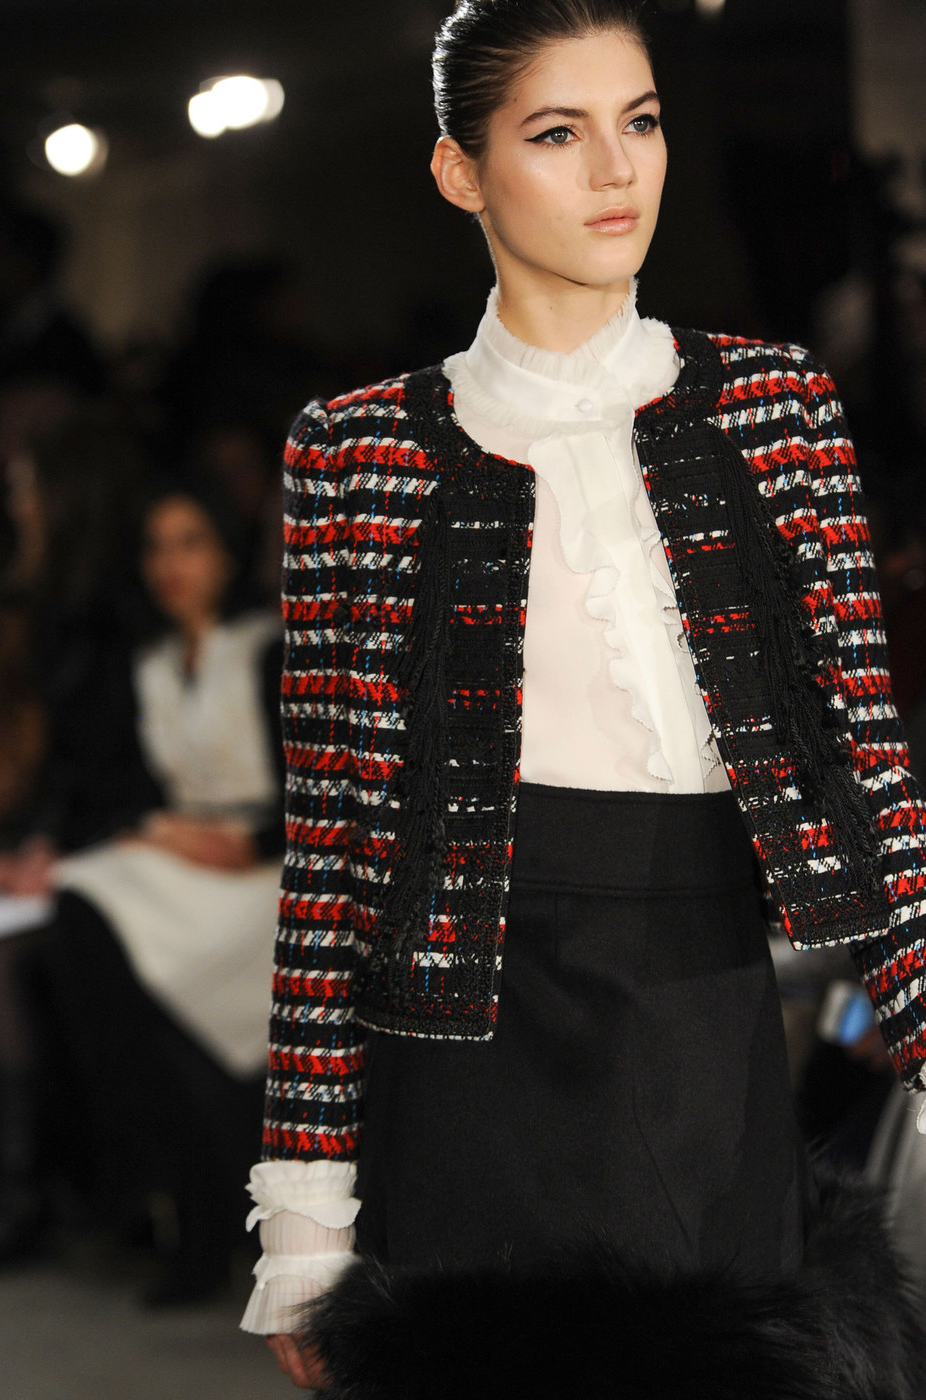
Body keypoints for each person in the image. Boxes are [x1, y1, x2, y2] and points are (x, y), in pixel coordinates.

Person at [243, 3, 926, 1394]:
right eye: (558, 133)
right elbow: (335, 858)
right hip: (464, 1062)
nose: (617, 170)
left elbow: (867, 776)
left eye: (642, 121)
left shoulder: (775, 409)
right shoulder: (358, 450)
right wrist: (305, 1219)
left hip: (703, 1034)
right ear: (462, 171)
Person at [48, 482, 284, 1302]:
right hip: (186, 863)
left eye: (190, 543)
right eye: (156, 546)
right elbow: (130, 792)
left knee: (95, 926)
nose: (170, 565)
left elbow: (323, 785)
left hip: (266, 866)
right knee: (80, 906)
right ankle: (164, 1179)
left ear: (226, 552)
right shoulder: (150, 665)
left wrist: (248, 842)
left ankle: (159, 1183)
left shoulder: (268, 648)